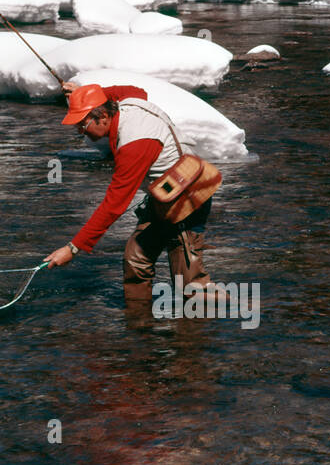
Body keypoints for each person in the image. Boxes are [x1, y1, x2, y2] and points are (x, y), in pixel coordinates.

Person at [43, 83, 213, 305]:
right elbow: (134, 90)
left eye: (82, 125)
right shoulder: (129, 102)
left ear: (102, 116)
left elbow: (114, 204)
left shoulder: (135, 143)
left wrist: (73, 248)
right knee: (136, 261)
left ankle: (206, 330)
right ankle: (139, 325)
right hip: (165, 194)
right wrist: (83, 93)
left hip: (188, 199)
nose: (80, 132)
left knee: (190, 288)